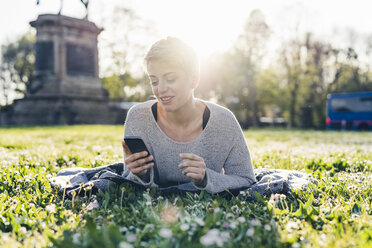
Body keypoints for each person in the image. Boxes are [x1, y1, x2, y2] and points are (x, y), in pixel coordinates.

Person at [121, 37, 256, 194]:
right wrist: (138, 174)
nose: (161, 89)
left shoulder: (224, 121)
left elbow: (246, 179)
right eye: (154, 81)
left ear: (194, 80)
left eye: (170, 79)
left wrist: (206, 178)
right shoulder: (138, 117)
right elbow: (127, 181)